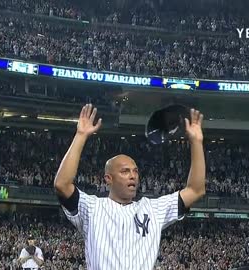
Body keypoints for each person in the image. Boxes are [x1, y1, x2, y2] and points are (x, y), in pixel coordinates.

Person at [54, 104, 206, 270]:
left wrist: (196, 142)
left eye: (135, 171)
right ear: (108, 179)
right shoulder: (92, 208)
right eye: (125, 171)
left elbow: (195, 190)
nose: (133, 175)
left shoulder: (153, 209)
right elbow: (62, 184)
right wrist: (81, 135)